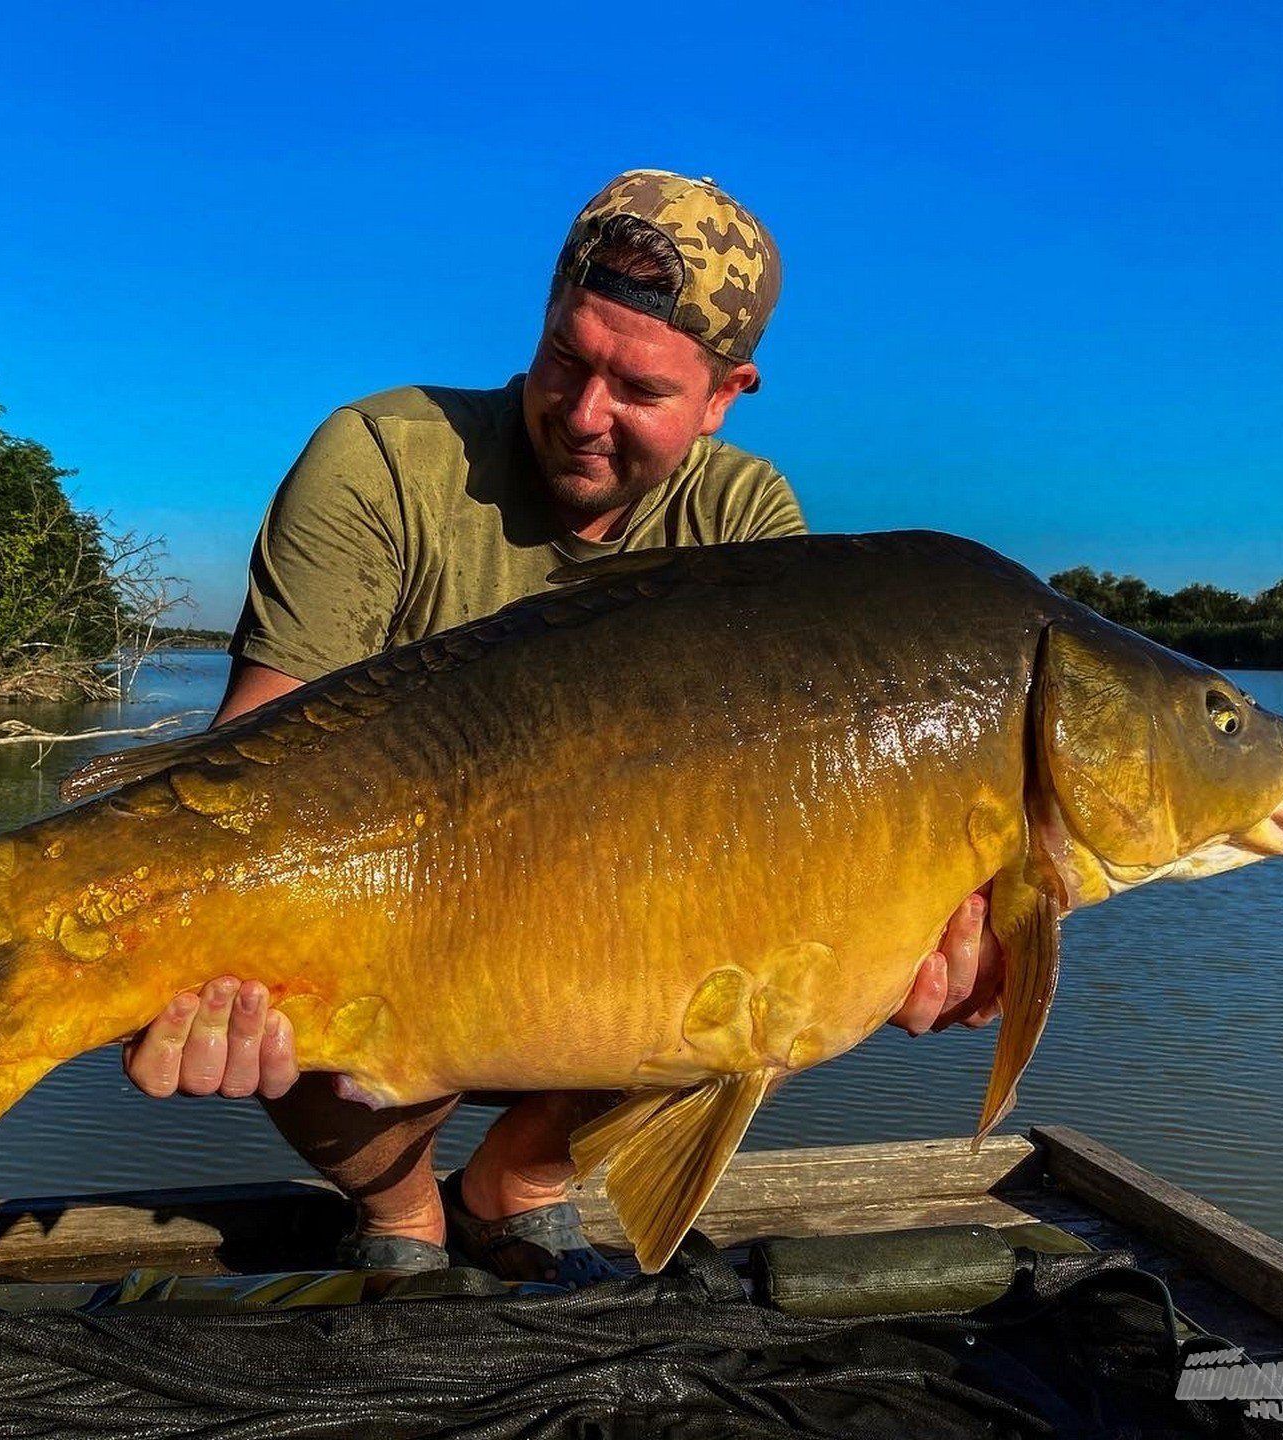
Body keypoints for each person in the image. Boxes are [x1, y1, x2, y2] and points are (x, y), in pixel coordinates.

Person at [119, 171, 1004, 1280]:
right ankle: (402, 1211)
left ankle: (518, 1182)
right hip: (382, 923)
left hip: (599, 967)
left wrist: (906, 943)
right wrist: (190, 951)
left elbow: (786, 841)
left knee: (797, 928)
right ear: (541, 317)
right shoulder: (384, 458)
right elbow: (248, 770)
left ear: (727, 394)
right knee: (243, 915)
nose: (584, 416)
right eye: (566, 360)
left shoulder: (744, 524)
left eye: (637, 389)